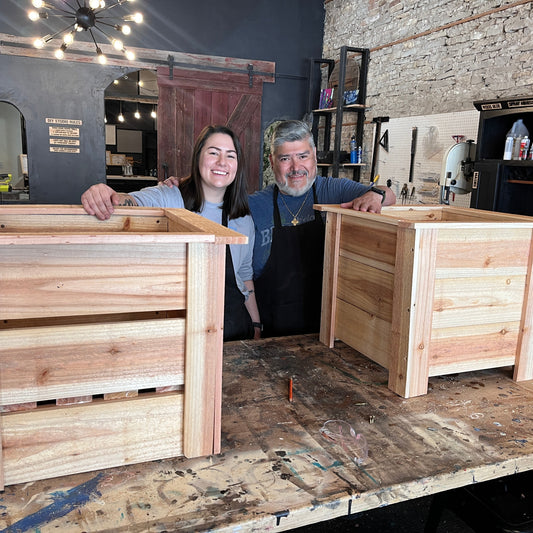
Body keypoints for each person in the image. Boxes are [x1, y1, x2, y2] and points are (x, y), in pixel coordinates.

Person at [81, 125, 261, 341]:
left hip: (236, 330)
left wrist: (256, 324)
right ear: (198, 158)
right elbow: (133, 202)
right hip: (184, 333)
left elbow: (244, 277)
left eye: (230, 156)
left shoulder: (243, 219)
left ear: (237, 166)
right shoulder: (169, 198)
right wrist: (106, 195)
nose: (222, 162)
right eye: (213, 153)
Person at [248, 119, 396, 337]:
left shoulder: (335, 191)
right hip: (270, 336)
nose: (296, 167)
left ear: (315, 155)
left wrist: (377, 194)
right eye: (285, 158)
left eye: (302, 156)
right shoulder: (254, 205)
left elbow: (390, 196)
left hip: (329, 331)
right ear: (272, 162)